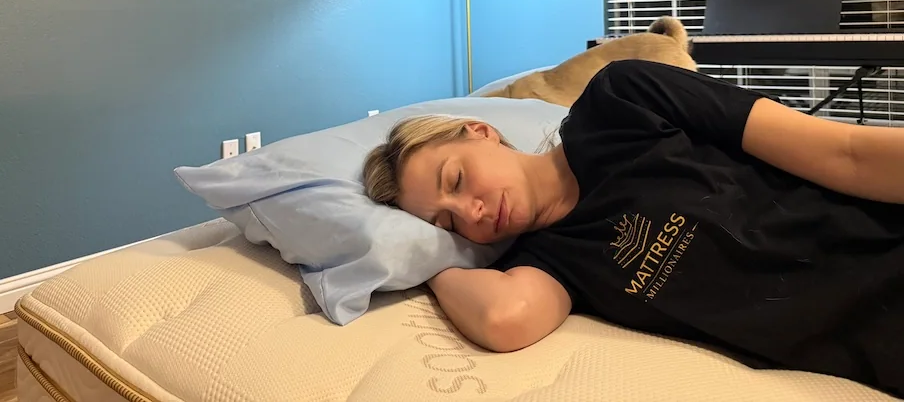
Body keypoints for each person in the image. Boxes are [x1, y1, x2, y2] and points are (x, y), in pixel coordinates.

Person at [362, 59, 904, 399]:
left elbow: (846, 153)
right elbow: (506, 319)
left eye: (456, 180)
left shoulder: (620, 101)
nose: (471, 213)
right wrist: (428, 257)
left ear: (480, 131)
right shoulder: (549, 261)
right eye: (447, 222)